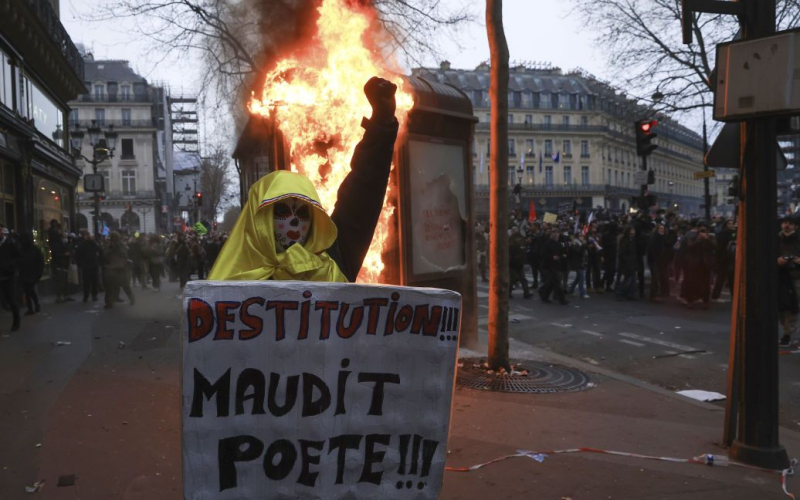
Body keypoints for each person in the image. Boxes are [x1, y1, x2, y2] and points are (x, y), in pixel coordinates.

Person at [208, 76, 399, 283]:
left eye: (302, 213)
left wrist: (382, 125)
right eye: (282, 211)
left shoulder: (332, 262)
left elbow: (362, 197)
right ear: (261, 218)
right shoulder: (237, 277)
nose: (294, 220)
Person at [679, 221, 715, 309]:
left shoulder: (711, 237)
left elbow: (715, 247)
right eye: (701, 228)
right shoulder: (692, 237)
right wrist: (698, 239)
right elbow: (689, 246)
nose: (703, 229)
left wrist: (707, 239)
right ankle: (690, 301)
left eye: (705, 228)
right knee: (692, 282)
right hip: (694, 263)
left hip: (705, 264)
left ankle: (705, 301)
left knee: (706, 284)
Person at [778, 215, 800, 347]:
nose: (787, 225)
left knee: (792, 307)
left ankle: (788, 333)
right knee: (782, 306)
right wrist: (777, 260)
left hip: (796, 276)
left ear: (795, 226)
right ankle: (788, 330)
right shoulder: (775, 238)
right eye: (785, 223)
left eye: (790, 224)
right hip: (780, 276)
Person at [102, 232, 135, 309]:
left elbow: (124, 255)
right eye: (112, 237)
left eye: (115, 237)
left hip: (120, 267)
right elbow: (105, 256)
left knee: (125, 285)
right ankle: (109, 302)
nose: (114, 239)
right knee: (110, 287)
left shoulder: (121, 245)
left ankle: (132, 298)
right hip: (111, 268)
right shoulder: (109, 246)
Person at [0, 224, 21, 331]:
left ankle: (16, 321)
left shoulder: (10, 243)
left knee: (11, 299)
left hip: (8, 275)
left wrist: (11, 267)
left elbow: (18, 256)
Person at [539, 229, 568, 305]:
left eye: (557, 235)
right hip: (549, 265)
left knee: (551, 282)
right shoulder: (547, 244)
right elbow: (543, 254)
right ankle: (562, 299)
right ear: (551, 236)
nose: (556, 237)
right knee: (557, 282)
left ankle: (544, 296)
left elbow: (562, 252)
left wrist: (562, 255)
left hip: (556, 264)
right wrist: (552, 257)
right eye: (554, 235)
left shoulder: (558, 244)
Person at [47, 219, 73, 302]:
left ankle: (64, 295)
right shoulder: (55, 242)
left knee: (63, 280)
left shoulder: (56, 241)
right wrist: (65, 254)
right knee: (61, 280)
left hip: (61, 263)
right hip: (60, 263)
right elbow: (56, 254)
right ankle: (60, 296)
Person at [18, 233, 44, 315]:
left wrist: (38, 273)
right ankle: (32, 307)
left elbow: (40, 262)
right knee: (29, 291)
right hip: (26, 273)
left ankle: (34, 306)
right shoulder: (24, 249)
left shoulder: (33, 250)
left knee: (29, 291)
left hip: (31, 274)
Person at [711, 218, 736, 301]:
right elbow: (720, 248)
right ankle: (715, 295)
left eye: (732, 223)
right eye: (729, 223)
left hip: (730, 258)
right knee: (721, 278)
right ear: (725, 225)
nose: (731, 225)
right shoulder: (723, 234)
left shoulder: (734, 233)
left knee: (728, 278)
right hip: (723, 259)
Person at [75, 230, 102, 301]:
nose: (87, 236)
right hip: (86, 265)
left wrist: (91, 241)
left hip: (93, 264)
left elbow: (98, 249)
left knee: (94, 281)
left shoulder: (93, 243)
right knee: (86, 281)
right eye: (85, 235)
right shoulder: (81, 244)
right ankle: (86, 295)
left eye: (88, 235)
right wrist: (80, 263)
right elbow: (78, 254)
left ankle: (94, 295)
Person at [647, 223, 670, 302]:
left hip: (660, 260)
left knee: (658, 277)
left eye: (663, 228)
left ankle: (656, 294)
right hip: (654, 260)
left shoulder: (662, 238)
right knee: (655, 278)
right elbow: (651, 249)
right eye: (660, 228)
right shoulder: (655, 238)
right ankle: (653, 295)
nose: (662, 230)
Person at [616, 225, 638, 301]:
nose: (633, 232)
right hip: (628, 263)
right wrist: (627, 260)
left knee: (632, 279)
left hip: (631, 262)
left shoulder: (631, 240)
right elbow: (622, 253)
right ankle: (620, 293)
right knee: (628, 279)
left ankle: (630, 294)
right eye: (632, 231)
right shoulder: (626, 240)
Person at [508, 226, 532, 299]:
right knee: (512, 279)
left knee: (522, 279)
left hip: (519, 262)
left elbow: (523, 247)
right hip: (513, 262)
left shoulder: (520, 238)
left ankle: (526, 293)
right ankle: (508, 293)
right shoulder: (511, 240)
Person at [567, 233, 589, 298]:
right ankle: (582, 293)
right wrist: (584, 245)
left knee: (578, 278)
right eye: (580, 236)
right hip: (578, 263)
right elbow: (579, 252)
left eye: (582, 236)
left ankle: (571, 289)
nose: (582, 237)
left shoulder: (580, 244)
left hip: (581, 262)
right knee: (581, 278)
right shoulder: (576, 244)